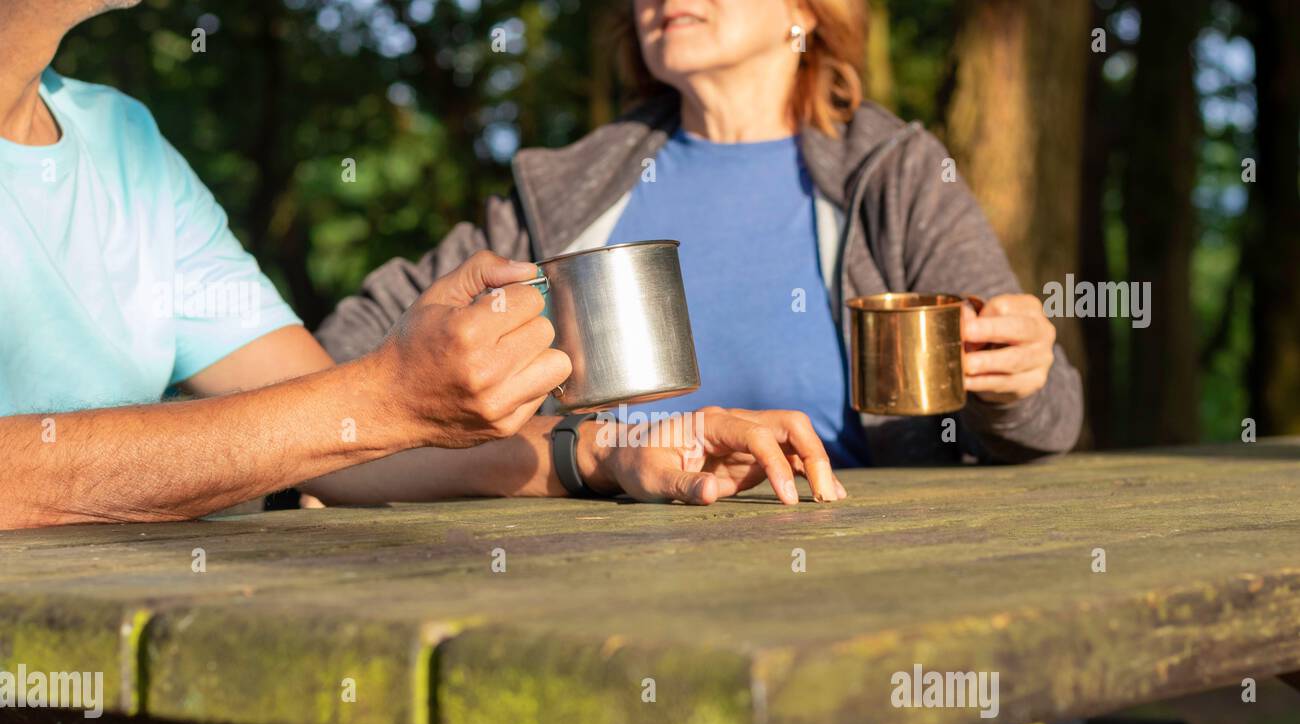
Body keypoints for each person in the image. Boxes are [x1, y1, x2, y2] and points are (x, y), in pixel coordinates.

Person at [0, 0, 844, 531]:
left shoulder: (122, 141)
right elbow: (351, 416)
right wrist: (381, 395)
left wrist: (604, 455)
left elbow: (337, 439)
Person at [319, 0, 1084, 467]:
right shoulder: (567, 187)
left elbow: (1049, 422)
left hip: (855, 581)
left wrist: (1014, 385)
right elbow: (350, 343)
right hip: (581, 581)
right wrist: (328, 460)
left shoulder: (894, 175)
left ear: (805, 10)